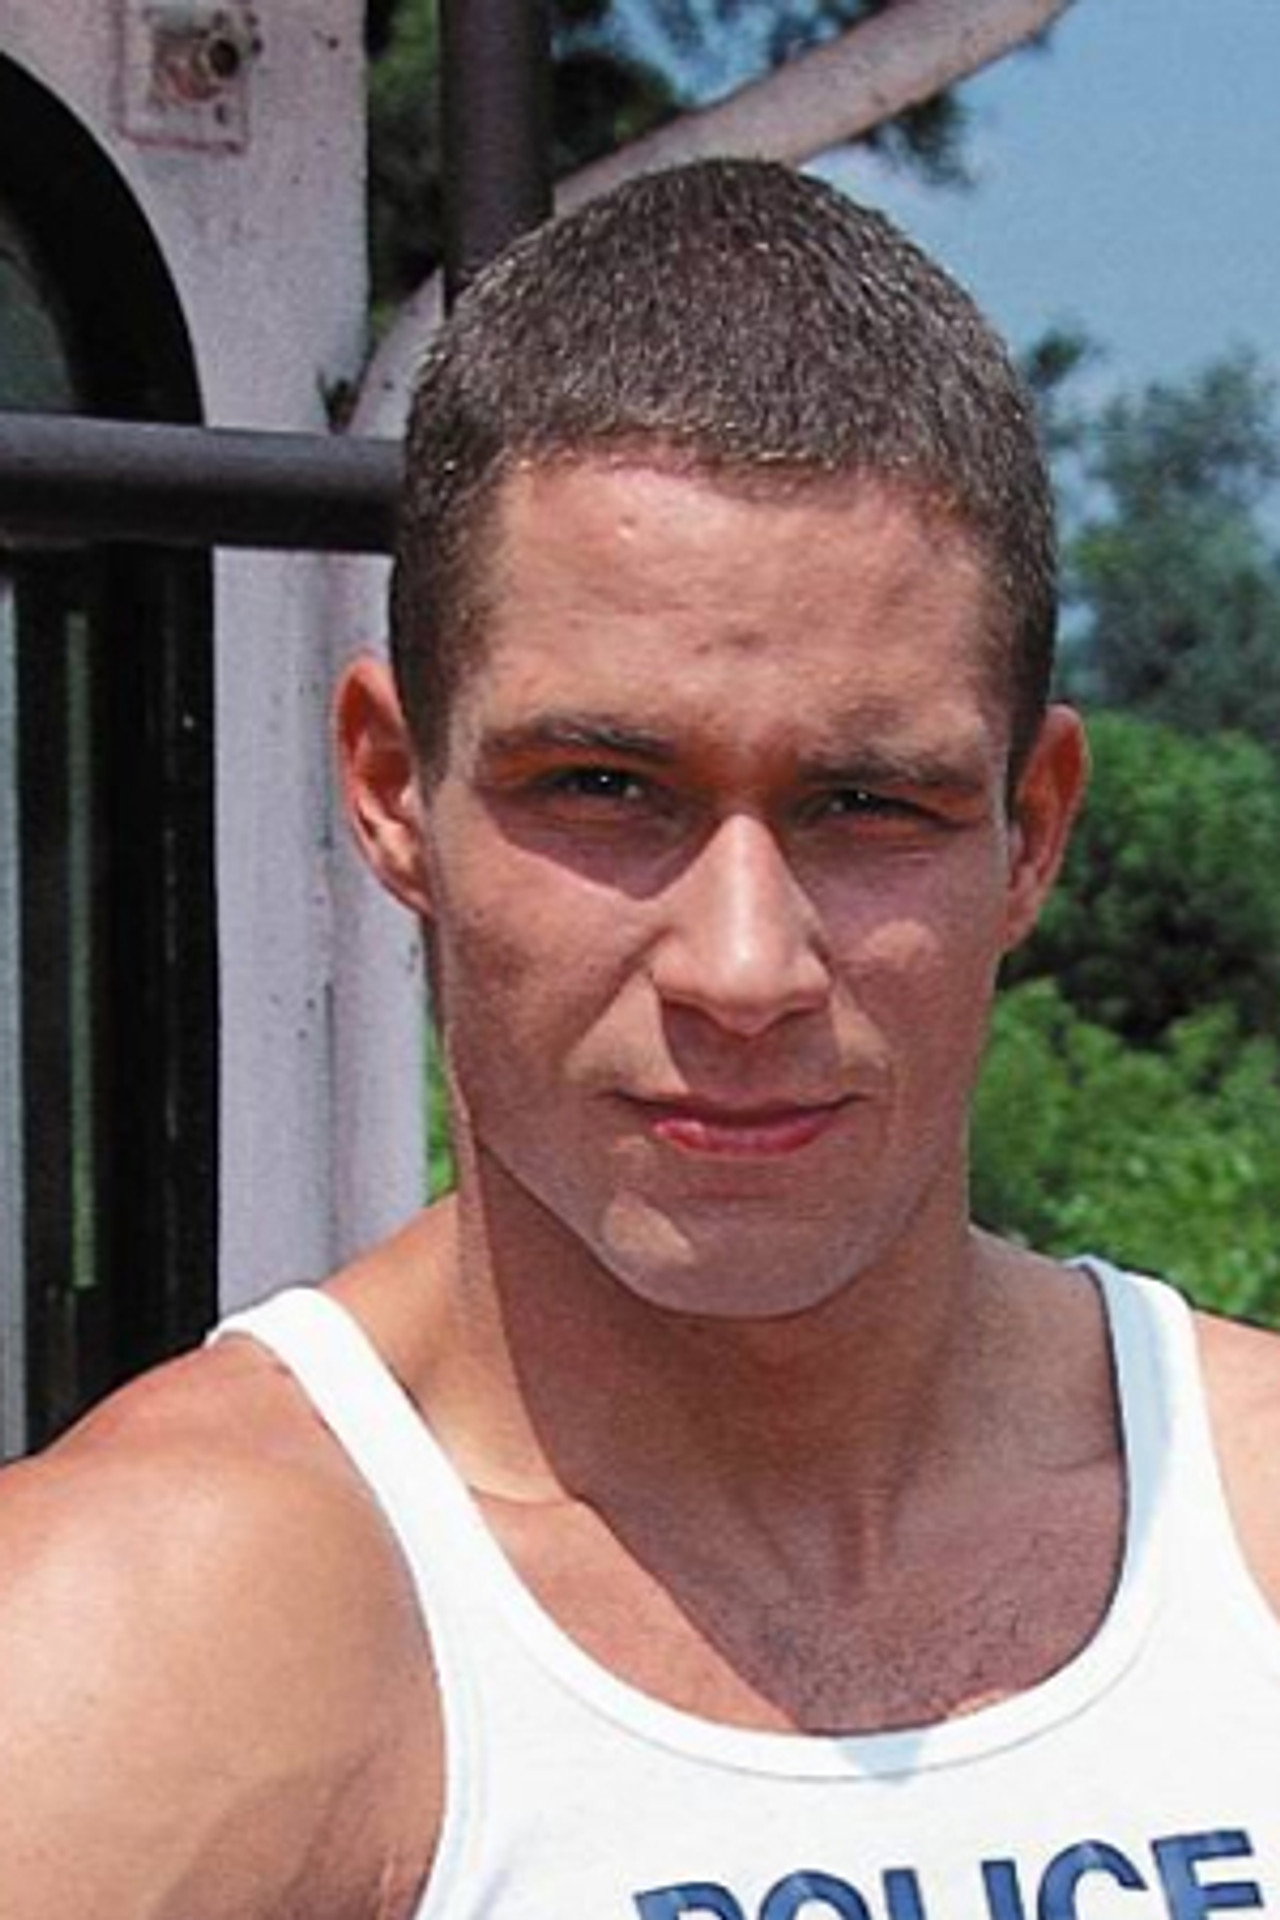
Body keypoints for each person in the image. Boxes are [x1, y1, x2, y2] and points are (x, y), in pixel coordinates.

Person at [2, 158, 1279, 1920]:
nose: (745, 968)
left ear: (1033, 831)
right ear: (392, 787)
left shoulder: (1252, 1528)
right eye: (604, 787)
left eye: (867, 804)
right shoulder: (132, 1659)